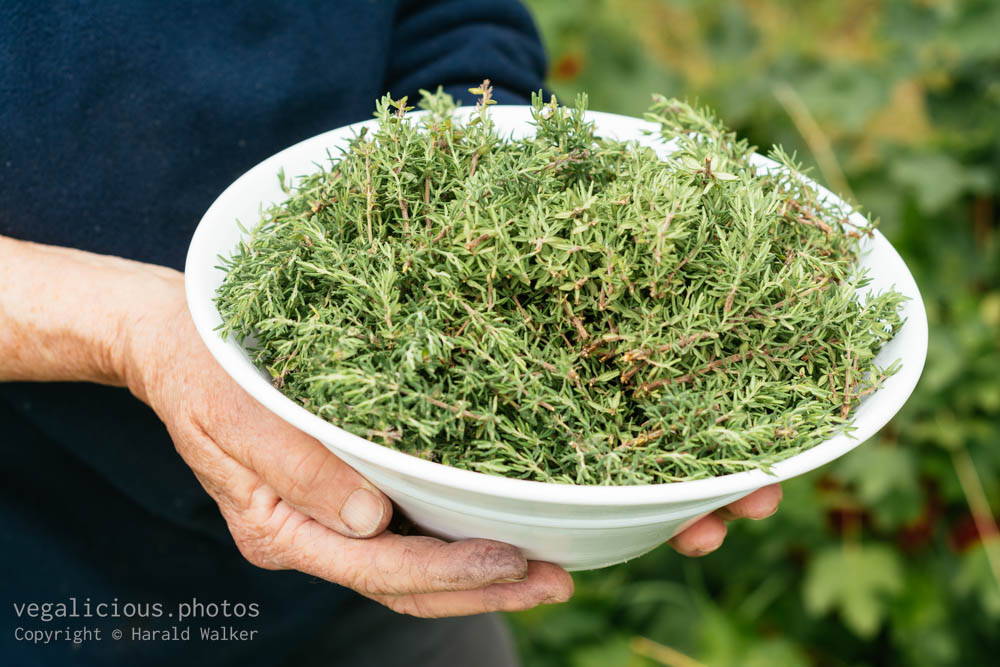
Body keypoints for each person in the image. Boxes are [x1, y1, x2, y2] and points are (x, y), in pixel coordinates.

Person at [0, 1, 782, 665]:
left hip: (409, 508)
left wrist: (483, 170)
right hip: (44, 575)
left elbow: (455, 22)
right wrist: (127, 327)